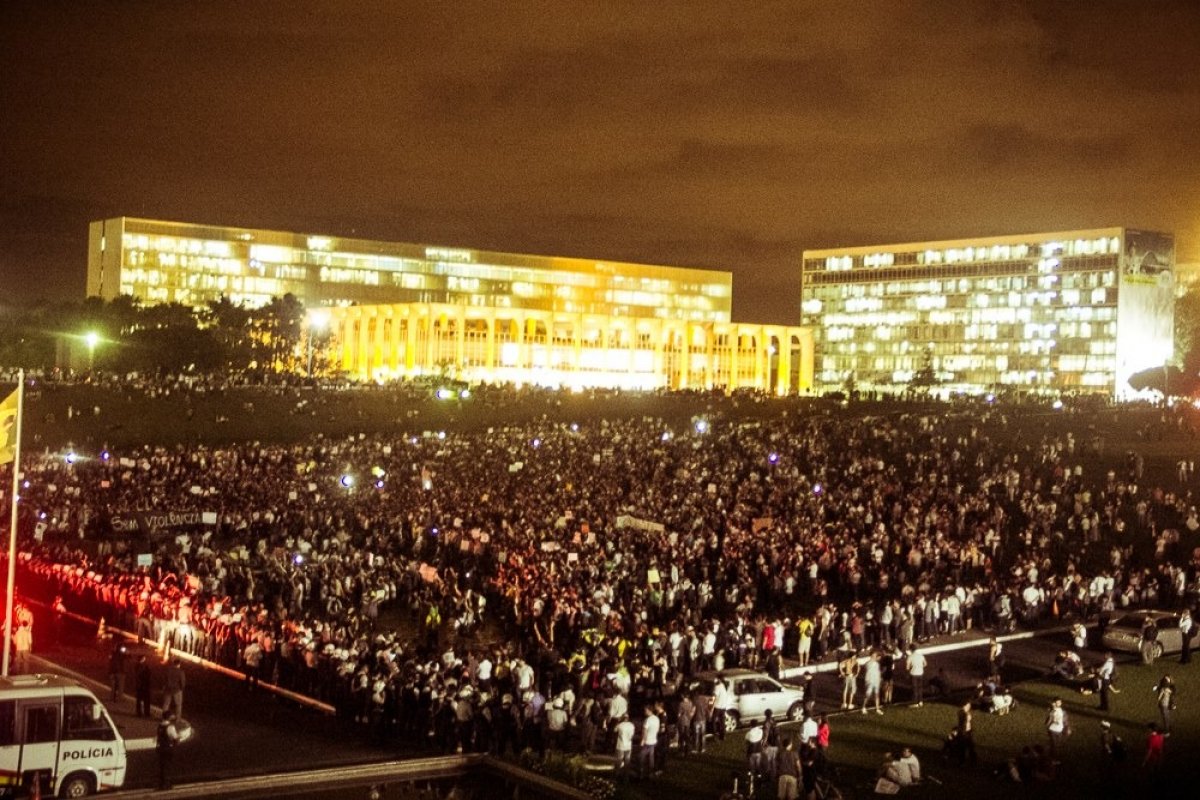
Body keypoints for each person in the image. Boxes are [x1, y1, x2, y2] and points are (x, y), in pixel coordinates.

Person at [156, 711, 181, 790]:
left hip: (160, 748)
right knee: (167, 766)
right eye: (172, 716)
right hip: (168, 748)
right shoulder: (170, 727)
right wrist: (179, 737)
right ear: (169, 717)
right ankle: (166, 784)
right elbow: (174, 737)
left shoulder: (160, 726)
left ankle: (161, 784)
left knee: (162, 766)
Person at [861, 650, 883, 715]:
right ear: (871, 656)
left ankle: (877, 708)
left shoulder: (877, 664)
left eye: (875, 655)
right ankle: (863, 707)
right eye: (874, 655)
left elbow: (878, 673)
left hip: (876, 681)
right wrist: (867, 681)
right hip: (870, 681)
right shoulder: (868, 663)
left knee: (877, 695)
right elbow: (868, 672)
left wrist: (879, 680)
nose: (875, 656)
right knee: (867, 695)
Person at [712, 676, 732, 741]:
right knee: (722, 722)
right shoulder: (724, 687)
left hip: (717, 707)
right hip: (723, 707)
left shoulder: (717, 687)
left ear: (719, 680)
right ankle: (723, 736)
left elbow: (714, 696)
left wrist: (710, 705)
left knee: (714, 721)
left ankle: (715, 736)